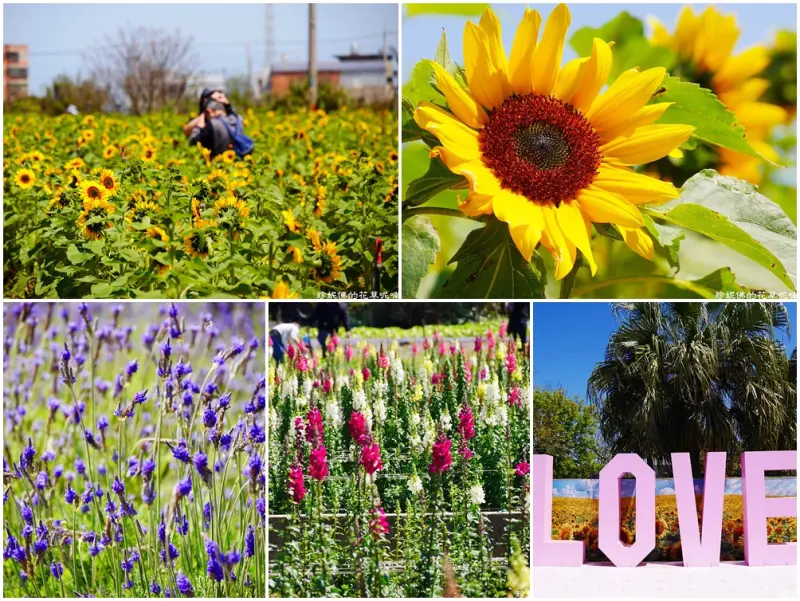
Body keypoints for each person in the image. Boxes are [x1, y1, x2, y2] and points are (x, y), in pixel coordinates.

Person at [183, 89, 253, 159]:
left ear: (208, 110)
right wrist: (228, 105)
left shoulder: (213, 124)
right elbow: (232, 113)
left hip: (217, 162)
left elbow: (193, 143)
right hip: (237, 161)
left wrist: (199, 127)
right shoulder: (238, 119)